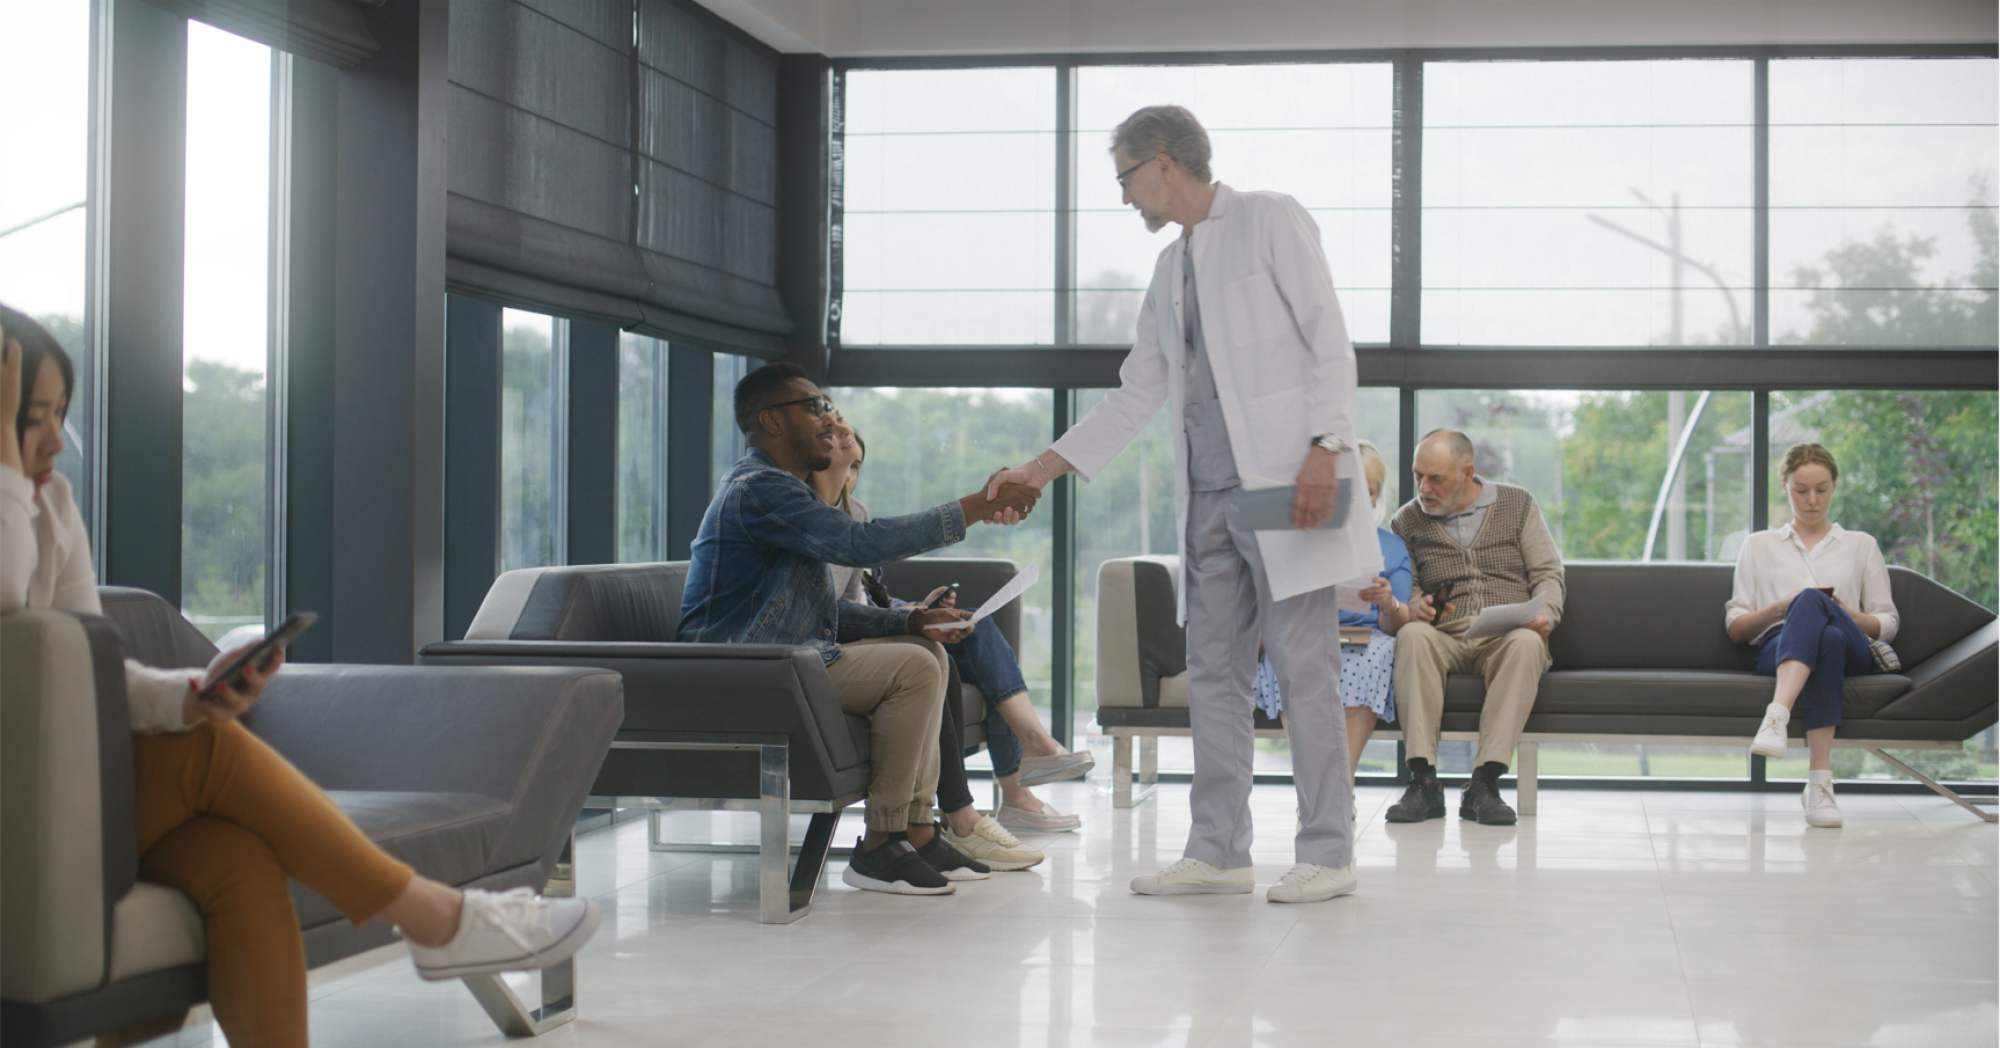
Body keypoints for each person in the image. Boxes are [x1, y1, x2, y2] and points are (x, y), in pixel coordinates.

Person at [0, 308, 598, 1048]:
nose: (56, 439)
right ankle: (438, 918)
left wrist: (190, 698)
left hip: (78, 800)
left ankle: (441, 922)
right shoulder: (17, 501)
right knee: (207, 755)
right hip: (20, 810)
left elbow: (85, 667)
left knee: (238, 860)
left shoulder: (49, 501)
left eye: (61, 413)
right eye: (29, 417)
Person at [983, 106, 1381, 905]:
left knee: (1306, 665)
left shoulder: (1269, 219)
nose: (1126, 195)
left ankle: (1328, 851)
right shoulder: (1170, 270)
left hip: (1286, 487)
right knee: (1217, 674)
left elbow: (1329, 339)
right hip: (1210, 499)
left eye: (1126, 176)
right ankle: (1218, 849)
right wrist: (1043, 467)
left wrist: (1325, 448)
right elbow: (1136, 394)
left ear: (1164, 163)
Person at [677, 362, 1041, 895]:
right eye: (816, 407)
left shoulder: (788, 494)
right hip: (743, 670)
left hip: (786, 659)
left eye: (828, 406)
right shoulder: (759, 491)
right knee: (915, 667)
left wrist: (913, 619)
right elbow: (861, 544)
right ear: (771, 422)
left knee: (926, 651)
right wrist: (982, 506)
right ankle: (878, 843)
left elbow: (823, 612)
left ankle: (916, 828)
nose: (830, 419)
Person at [807, 416, 1049, 872]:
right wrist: (911, 619)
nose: (851, 474)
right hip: (822, 645)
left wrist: (919, 610)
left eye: (858, 465)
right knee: (928, 661)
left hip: (849, 632)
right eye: (845, 460)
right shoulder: (810, 518)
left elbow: (858, 598)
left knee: (972, 632)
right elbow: (827, 611)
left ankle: (1015, 772)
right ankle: (966, 810)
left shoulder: (853, 513)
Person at [1386, 428, 1564, 827]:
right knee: (1412, 636)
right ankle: (1423, 781)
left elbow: (1548, 573)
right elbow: (1407, 588)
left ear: (1467, 473)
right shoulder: (1407, 521)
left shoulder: (1518, 504)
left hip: (1505, 634)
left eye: (1436, 479)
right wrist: (1418, 607)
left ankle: (1484, 783)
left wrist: (1546, 614)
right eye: (1418, 476)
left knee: (1527, 643)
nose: (1423, 487)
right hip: (1444, 636)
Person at [1726, 443, 1898, 829]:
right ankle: (1820, 784)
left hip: (1853, 642)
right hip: (1779, 645)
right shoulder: (1758, 545)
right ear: (1784, 487)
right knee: (1826, 638)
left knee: (1830, 624)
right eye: (1801, 490)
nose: (1812, 500)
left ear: (1834, 486)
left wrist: (1839, 611)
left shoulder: (1861, 545)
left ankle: (1776, 717)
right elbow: (1737, 628)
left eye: (1821, 489)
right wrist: (1782, 607)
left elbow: (1887, 623)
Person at [1251, 439, 1413, 779]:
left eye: (1368, 492)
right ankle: (1314, 787)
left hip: (1367, 640)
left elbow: (1397, 626)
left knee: (1373, 659)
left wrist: (1388, 603)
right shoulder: (1298, 537)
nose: (1357, 502)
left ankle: (1340, 786)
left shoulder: (1391, 546)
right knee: (1291, 659)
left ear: (1377, 497)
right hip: (1303, 633)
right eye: (1348, 491)